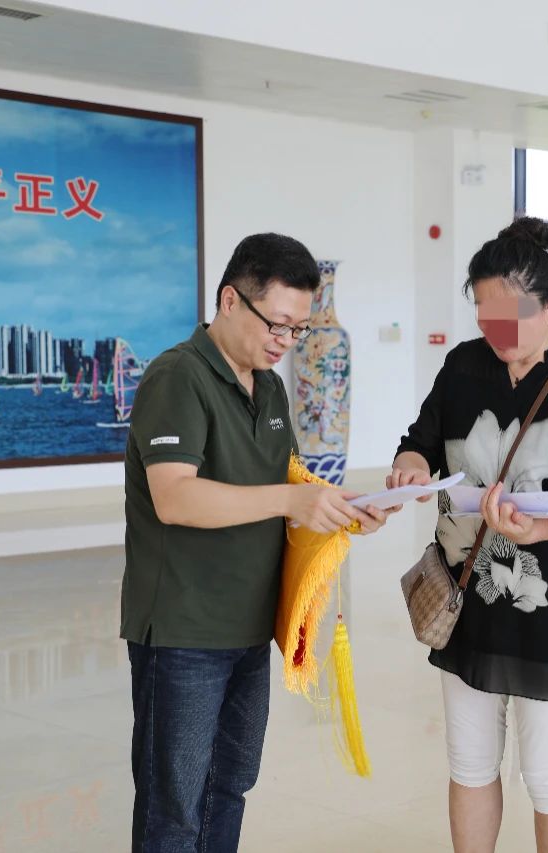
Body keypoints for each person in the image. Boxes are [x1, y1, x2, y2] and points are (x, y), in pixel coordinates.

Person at [120, 233, 391, 851]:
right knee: (174, 807)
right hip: (185, 631)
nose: (285, 340)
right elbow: (175, 497)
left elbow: (287, 485)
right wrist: (292, 501)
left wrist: (339, 508)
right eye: (276, 323)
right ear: (229, 300)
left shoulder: (268, 386)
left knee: (231, 786)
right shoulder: (177, 377)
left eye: (297, 329)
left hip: (249, 625)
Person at [389, 217, 548, 853]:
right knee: (469, 762)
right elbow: (420, 440)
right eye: (486, 316)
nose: (498, 332)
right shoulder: (464, 364)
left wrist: (532, 527)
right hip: (466, 596)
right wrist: (410, 465)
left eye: (511, 316)